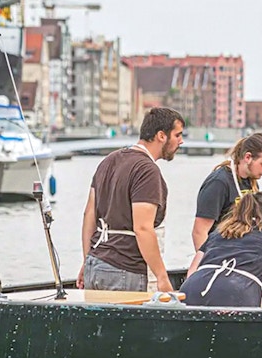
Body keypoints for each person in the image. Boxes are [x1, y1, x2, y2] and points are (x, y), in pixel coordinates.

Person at [78, 107, 185, 293]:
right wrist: (162, 277)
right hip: (125, 269)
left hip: (95, 263)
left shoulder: (108, 161)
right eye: (177, 135)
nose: (181, 141)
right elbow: (143, 228)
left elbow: (89, 214)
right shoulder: (147, 171)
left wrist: (87, 260)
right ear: (161, 135)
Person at [191, 132, 262, 250]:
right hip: (220, 252)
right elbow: (199, 232)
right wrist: (207, 263)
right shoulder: (219, 183)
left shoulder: (251, 182)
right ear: (248, 157)